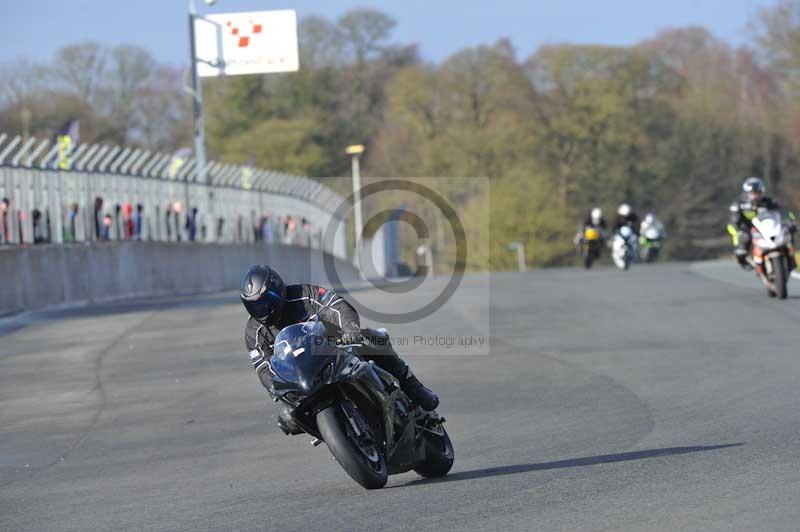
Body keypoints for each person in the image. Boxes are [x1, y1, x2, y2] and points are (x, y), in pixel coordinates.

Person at [241, 265, 440, 431]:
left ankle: (413, 387)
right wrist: (275, 388)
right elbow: (263, 367)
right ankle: (339, 433)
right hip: (302, 377)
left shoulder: (303, 295)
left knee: (372, 339)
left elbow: (336, 305)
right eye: (256, 306)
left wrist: (350, 330)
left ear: (279, 289)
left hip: (336, 349)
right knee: (287, 419)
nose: (263, 310)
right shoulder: (254, 332)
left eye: (267, 302)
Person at [726, 177, 797, 270]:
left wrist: (791, 221)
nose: (755, 196)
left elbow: (784, 212)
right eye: (753, 193)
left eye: (757, 193)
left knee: (788, 230)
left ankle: (790, 256)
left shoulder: (768, 201)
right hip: (746, 227)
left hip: (765, 227)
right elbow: (733, 221)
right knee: (743, 237)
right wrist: (738, 230)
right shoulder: (739, 204)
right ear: (747, 193)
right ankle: (743, 257)